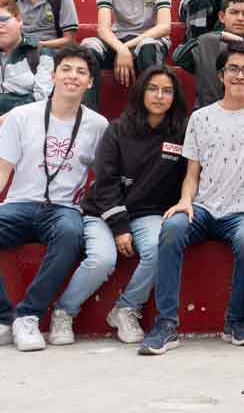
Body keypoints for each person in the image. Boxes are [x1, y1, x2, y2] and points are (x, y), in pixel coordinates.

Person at [138, 41, 244, 355]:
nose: (240, 75)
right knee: (172, 229)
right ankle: (166, 324)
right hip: (203, 207)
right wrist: (184, 201)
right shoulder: (201, 117)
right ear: (221, 75)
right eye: (233, 69)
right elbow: (192, 172)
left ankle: (235, 320)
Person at [51, 66, 189, 346]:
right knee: (102, 259)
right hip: (103, 212)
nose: (159, 96)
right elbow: (105, 182)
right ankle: (64, 311)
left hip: (148, 213)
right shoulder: (117, 130)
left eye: (167, 90)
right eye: (153, 88)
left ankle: (125, 308)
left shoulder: (181, 133)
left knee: (158, 251)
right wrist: (119, 226)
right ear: (141, 92)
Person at [0, 45, 107, 352]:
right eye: (67, 69)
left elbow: (103, 177)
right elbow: (3, 169)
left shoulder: (98, 125)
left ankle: (28, 316)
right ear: (54, 75)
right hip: (20, 204)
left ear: (89, 83)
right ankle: (4, 318)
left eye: (81, 72)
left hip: (64, 209)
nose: (73, 76)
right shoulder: (22, 116)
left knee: (71, 233)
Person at [82, 0, 172, 112]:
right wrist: (121, 49)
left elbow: (164, 27)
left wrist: (126, 48)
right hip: (118, 41)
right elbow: (103, 29)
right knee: (88, 47)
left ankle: (150, 117)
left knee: (147, 46)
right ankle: (88, 116)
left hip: (148, 40)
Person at [173, 0, 244, 109]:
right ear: (222, 17)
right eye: (234, 12)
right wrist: (219, 35)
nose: (240, 18)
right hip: (211, 110)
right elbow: (179, 58)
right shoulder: (209, 41)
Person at [0, 0, 53, 119]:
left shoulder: (40, 53)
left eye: (3, 20)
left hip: (26, 121)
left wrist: (9, 117)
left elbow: (42, 97)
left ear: (19, 21)